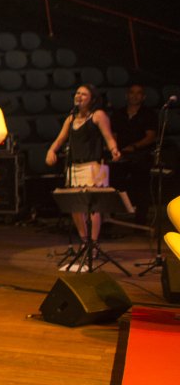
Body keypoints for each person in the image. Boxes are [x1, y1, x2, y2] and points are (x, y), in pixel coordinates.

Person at [45, 84, 121, 256]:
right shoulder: (71, 118)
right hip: (75, 166)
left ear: (92, 99)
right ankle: (84, 241)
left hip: (93, 165)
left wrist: (114, 149)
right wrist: (51, 151)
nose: (79, 96)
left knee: (92, 207)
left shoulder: (98, 115)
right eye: (78, 93)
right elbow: (59, 140)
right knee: (75, 206)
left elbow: (108, 137)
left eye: (84, 94)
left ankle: (93, 244)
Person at [110, 83, 158, 224]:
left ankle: (141, 217)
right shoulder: (118, 114)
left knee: (141, 182)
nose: (135, 95)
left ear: (143, 97)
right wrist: (116, 149)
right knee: (112, 181)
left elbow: (150, 136)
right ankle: (111, 217)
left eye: (139, 93)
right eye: (132, 92)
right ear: (127, 95)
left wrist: (134, 147)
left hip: (141, 154)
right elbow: (113, 134)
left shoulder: (149, 114)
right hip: (121, 154)